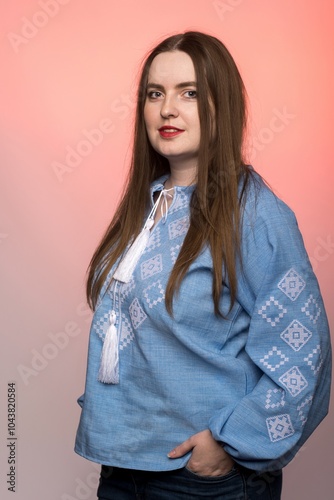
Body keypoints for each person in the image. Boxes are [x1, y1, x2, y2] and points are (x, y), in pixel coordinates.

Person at [74, 31, 331, 499]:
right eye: (155, 94)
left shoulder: (254, 214)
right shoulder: (148, 207)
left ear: (221, 104)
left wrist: (231, 444)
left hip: (203, 481)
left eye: (189, 93)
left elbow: (303, 355)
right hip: (123, 469)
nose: (167, 109)